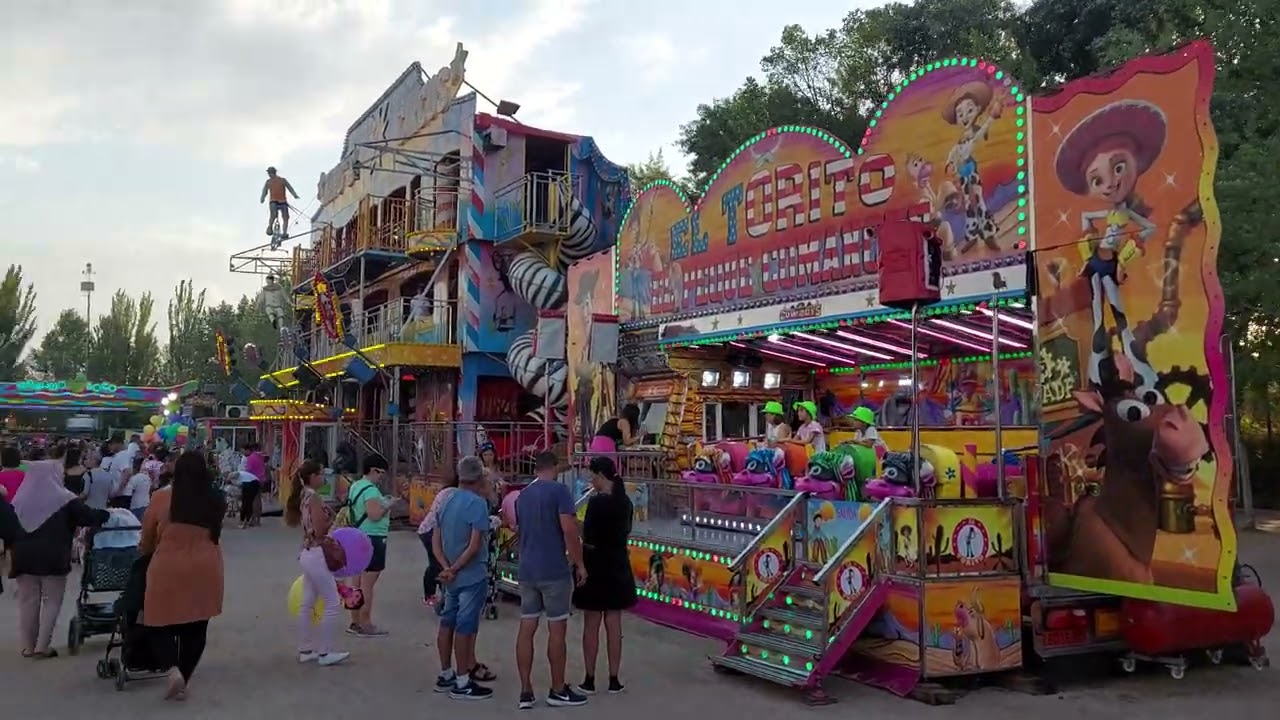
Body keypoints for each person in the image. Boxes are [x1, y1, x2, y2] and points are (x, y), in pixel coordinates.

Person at [0, 460, 107, 657]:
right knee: (52, 601)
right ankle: (43, 646)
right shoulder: (65, 498)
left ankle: (28, 647)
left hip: (23, 555)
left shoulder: (21, 497)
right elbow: (89, 517)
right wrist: (107, 514)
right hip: (54, 556)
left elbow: (9, 526)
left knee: (27, 601)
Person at [141, 452, 226, 701]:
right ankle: (184, 678)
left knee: (156, 622)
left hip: (168, 566)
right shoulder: (215, 500)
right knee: (197, 627)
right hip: (206, 567)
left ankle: (172, 670)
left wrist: (146, 552)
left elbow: (147, 537)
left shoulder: (161, 498)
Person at [514, 451, 588, 709]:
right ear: (554, 467)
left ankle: (525, 691)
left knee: (527, 627)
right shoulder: (559, 492)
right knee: (557, 629)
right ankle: (557, 689)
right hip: (553, 569)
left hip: (527, 569)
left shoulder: (523, 496)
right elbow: (568, 529)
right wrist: (579, 563)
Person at [432, 456, 497, 700]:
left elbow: (436, 539)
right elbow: (474, 545)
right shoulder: (477, 504)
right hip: (470, 574)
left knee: (447, 621)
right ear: (479, 477)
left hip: (450, 575)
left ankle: (445, 673)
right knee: (465, 625)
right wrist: (456, 568)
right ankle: (462, 680)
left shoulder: (446, 499)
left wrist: (446, 567)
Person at [573, 456, 636, 694]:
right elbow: (627, 531)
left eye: (592, 476)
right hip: (618, 562)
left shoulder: (596, 503)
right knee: (614, 622)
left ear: (601, 475)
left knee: (592, 623)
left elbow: (588, 534)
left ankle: (589, 678)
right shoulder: (625, 502)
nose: (591, 481)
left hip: (595, 562)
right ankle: (614, 678)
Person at [285, 460, 349, 667]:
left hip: (307, 553)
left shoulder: (304, 495)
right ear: (313, 476)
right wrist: (332, 519)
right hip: (317, 553)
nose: (324, 477)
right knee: (332, 601)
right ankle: (325, 652)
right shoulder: (314, 498)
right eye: (321, 473)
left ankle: (306, 648)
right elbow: (320, 530)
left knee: (307, 601)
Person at [344, 455, 391, 637]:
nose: (381, 477)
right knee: (367, 585)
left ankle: (355, 622)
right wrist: (388, 505)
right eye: (380, 473)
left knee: (355, 582)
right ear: (373, 470)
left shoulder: (356, 486)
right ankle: (366, 624)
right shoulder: (371, 490)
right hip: (374, 537)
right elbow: (374, 515)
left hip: (358, 535)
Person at [418, 473, 458, 608]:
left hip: (434, 529)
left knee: (438, 562)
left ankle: (442, 595)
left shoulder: (450, 491)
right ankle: (431, 595)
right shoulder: (452, 493)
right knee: (437, 563)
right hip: (430, 529)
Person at [260, 166, 300, 240]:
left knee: (286, 217)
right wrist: (262, 198)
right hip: (273, 201)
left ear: (273, 173)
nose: (269, 175)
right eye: (269, 173)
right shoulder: (268, 182)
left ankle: (284, 233)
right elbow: (264, 191)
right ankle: (270, 227)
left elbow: (289, 188)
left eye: (270, 173)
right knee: (273, 214)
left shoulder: (282, 180)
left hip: (282, 201)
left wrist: (295, 195)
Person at [238, 443, 263, 529]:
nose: (243, 453)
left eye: (244, 451)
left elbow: (248, 470)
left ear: (248, 450)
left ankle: (250, 519)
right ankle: (257, 520)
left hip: (251, 481)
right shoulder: (258, 457)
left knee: (250, 501)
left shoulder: (250, 458)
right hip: (259, 480)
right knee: (257, 500)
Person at [122, 456, 154, 521]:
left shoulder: (134, 479)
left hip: (136, 506)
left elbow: (127, 494)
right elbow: (150, 490)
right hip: (146, 504)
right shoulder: (147, 478)